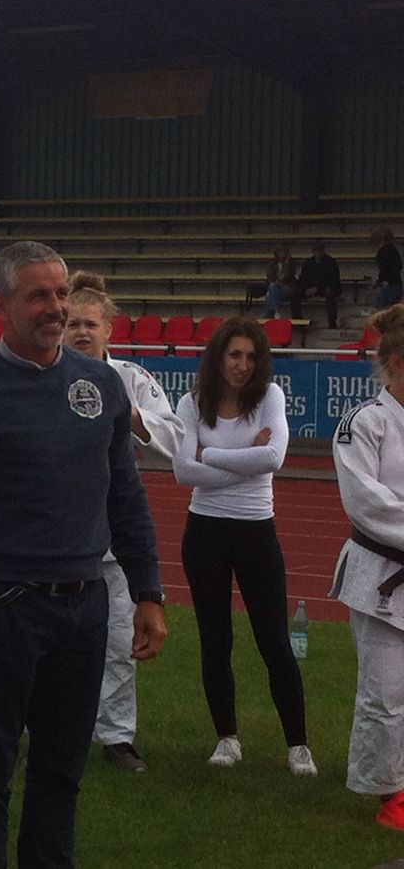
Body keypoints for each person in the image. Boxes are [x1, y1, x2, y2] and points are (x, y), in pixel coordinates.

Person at [0, 241, 166, 869]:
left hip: (84, 604)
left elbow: (125, 495)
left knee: (62, 770)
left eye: (62, 292)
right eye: (39, 294)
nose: (56, 307)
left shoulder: (101, 384)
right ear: (1, 304)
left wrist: (148, 591)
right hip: (2, 603)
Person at [171, 316, 317, 775]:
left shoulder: (270, 397)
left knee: (274, 641)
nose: (242, 365)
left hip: (256, 531)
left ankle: (298, 745)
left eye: (251, 357)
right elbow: (182, 471)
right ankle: (227, 739)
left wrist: (209, 455)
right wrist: (244, 460)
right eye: (234, 354)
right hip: (205, 531)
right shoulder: (192, 403)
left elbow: (273, 457)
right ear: (218, 357)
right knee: (216, 641)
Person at [63, 271, 184, 773]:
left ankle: (115, 737)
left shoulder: (131, 378)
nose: (81, 332)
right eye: (72, 323)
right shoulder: (46, 372)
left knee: (117, 642)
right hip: (55, 533)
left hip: (113, 533)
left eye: (90, 324)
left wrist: (130, 415)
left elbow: (175, 441)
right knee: (50, 642)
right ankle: (41, 729)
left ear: (109, 329)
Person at [331, 303, 404, 830]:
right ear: (398, 362)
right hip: (380, 575)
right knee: (385, 692)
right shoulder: (365, 422)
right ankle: (389, 792)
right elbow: (366, 504)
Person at [296, 239, 342, 328]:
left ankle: (332, 321)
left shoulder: (331, 262)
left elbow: (332, 279)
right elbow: (303, 278)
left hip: (327, 287)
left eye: (319, 250)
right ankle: (298, 321)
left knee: (330, 292)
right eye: (315, 250)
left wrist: (317, 288)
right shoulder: (308, 262)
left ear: (323, 250)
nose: (318, 252)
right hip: (311, 288)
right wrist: (306, 289)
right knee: (295, 292)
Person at [262, 243, 299, 319]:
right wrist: (277, 282)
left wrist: (286, 263)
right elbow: (270, 277)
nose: (281, 254)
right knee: (272, 289)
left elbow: (283, 276)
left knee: (270, 294)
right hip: (276, 288)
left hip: (287, 289)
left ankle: (268, 317)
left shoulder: (291, 263)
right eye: (279, 252)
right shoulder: (272, 264)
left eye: (283, 251)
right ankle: (276, 312)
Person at [375, 229, 403, 309]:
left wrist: (386, 280)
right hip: (395, 283)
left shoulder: (385, 251)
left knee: (382, 309)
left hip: (390, 284)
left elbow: (386, 268)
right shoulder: (393, 250)